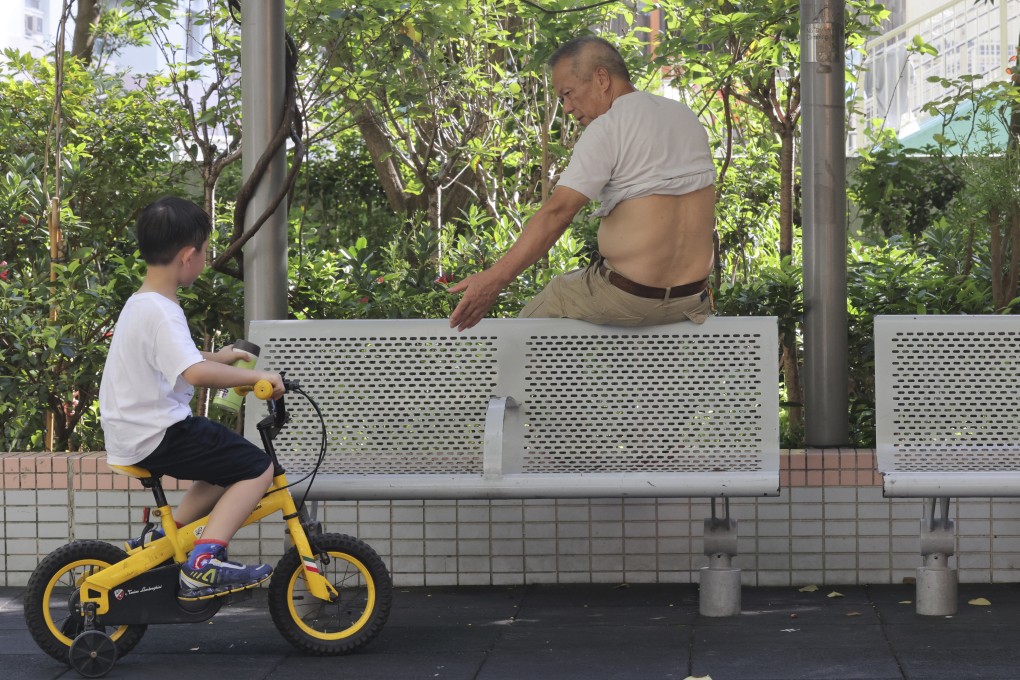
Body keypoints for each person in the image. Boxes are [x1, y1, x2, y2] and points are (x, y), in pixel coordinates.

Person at [449, 35, 717, 331]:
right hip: (692, 301)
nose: (566, 107)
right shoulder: (684, 115)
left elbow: (558, 213)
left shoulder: (608, 126)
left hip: (627, 298)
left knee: (543, 311)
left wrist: (494, 279)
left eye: (568, 93)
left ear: (602, 78)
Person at [98, 196, 285, 601]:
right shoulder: (163, 312)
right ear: (188, 256)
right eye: (204, 252)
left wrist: (220, 358)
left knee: (223, 466)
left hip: (134, 430)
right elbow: (194, 374)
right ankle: (203, 562)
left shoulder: (142, 303)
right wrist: (258, 378)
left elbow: (183, 358)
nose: (204, 259)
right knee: (257, 468)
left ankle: (165, 542)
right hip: (157, 431)